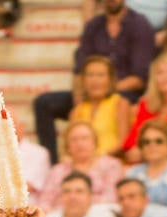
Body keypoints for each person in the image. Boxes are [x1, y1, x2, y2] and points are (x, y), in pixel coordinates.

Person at [34, 0, 156, 163]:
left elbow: (140, 78)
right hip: (90, 90)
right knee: (43, 103)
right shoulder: (93, 26)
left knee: (123, 100)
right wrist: (79, 96)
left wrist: (105, 87)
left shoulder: (139, 24)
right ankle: (52, 162)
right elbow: (80, 69)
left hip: (125, 90)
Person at [122, 51, 167, 162]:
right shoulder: (146, 104)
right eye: (160, 73)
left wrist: (145, 151)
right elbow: (132, 142)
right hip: (145, 165)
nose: (166, 77)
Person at [38, 121, 125, 210]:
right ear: (68, 146)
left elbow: (111, 199)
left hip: (99, 215)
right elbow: (44, 202)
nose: (79, 143)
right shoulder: (58, 170)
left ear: (94, 142)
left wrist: (79, 210)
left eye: (85, 138)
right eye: (74, 139)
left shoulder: (111, 165)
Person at [69, 54, 133, 156]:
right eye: (90, 75)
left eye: (100, 75)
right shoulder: (77, 111)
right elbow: (71, 145)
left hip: (111, 162)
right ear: (83, 80)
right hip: (84, 163)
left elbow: (123, 143)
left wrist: (99, 157)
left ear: (110, 79)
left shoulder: (120, 104)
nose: (95, 81)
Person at [126, 117, 167, 211]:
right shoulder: (132, 173)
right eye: (146, 142)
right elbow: (127, 208)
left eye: (159, 141)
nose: (152, 145)